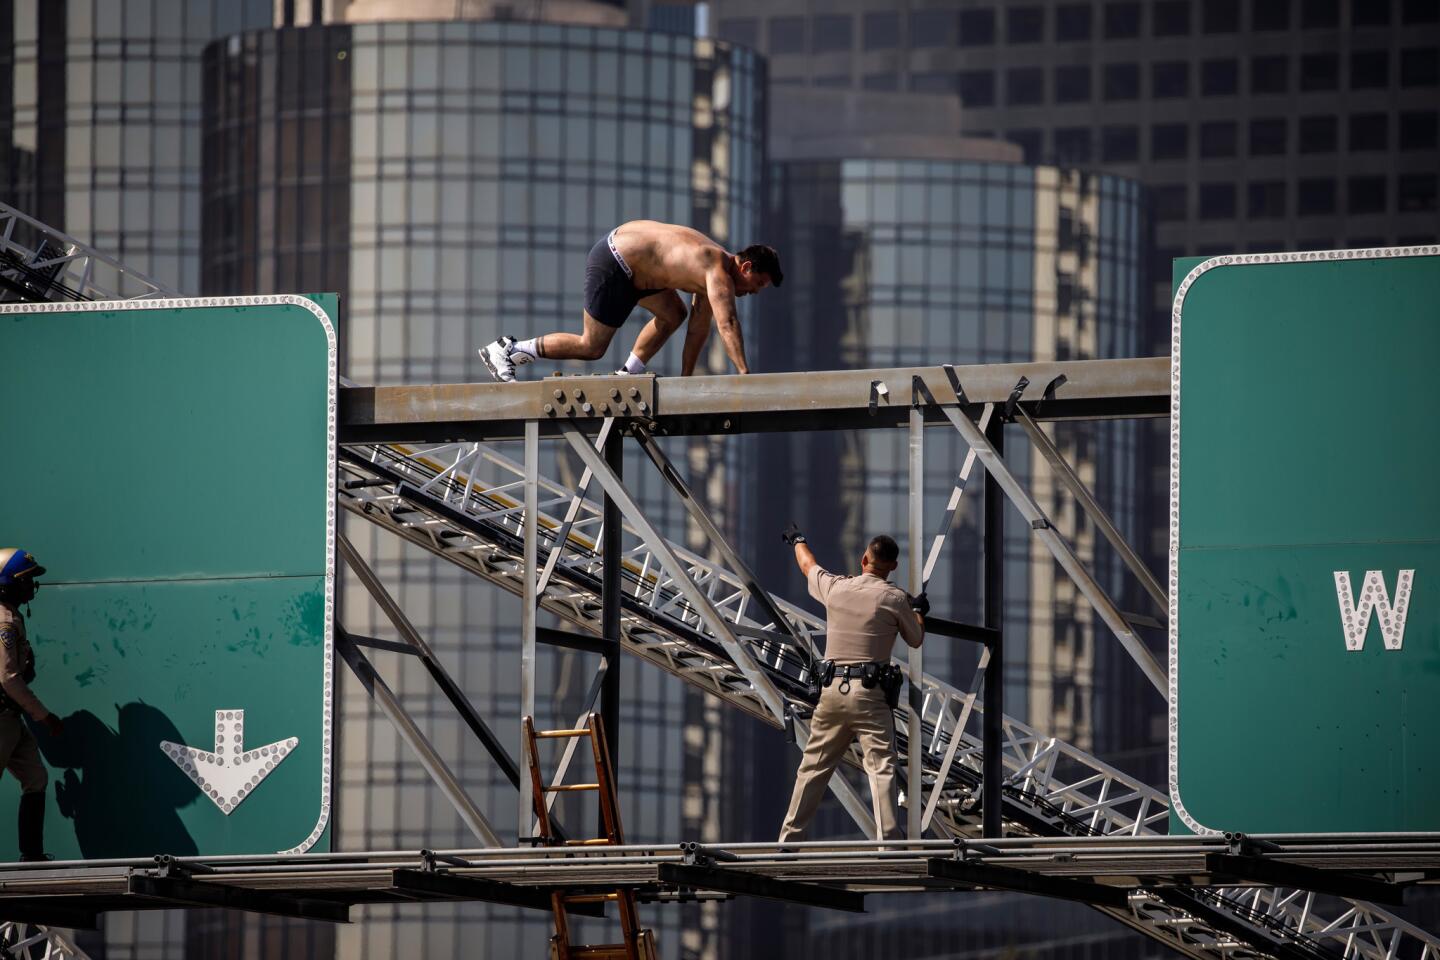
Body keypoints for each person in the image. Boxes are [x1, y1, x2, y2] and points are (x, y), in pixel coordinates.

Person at [479, 220, 783, 382]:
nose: (752, 292)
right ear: (745, 267)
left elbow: (697, 332)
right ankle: (509, 350)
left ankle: (628, 373)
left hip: (638, 273)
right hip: (616, 262)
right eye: (756, 284)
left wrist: (686, 382)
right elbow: (727, 322)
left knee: (674, 313)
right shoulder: (716, 271)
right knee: (591, 347)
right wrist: (744, 374)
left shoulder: (708, 279)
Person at [776, 525, 927, 844]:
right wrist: (917, 612)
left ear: (864, 559)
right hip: (870, 697)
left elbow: (808, 565)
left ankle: (788, 842)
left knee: (812, 769)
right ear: (893, 567)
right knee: (881, 768)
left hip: (832, 693)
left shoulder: (836, 588)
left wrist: (799, 541)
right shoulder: (895, 598)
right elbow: (915, 639)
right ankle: (888, 843)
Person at [0, 548, 63, 861]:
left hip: (10, 718)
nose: (30, 587)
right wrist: (44, 716)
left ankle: (32, 855)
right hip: (2, 718)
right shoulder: (4, 622)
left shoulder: (12, 617)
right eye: (24, 580)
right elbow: (8, 679)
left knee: (36, 778)